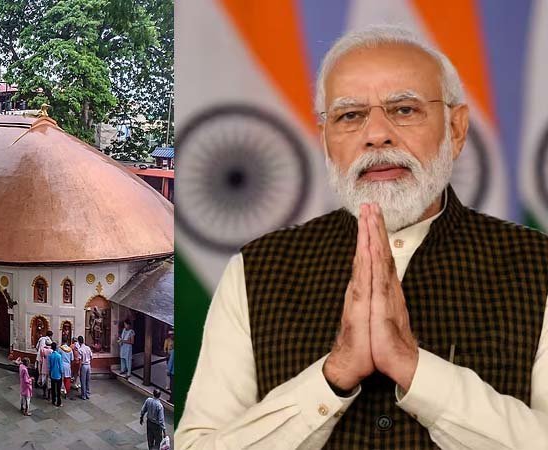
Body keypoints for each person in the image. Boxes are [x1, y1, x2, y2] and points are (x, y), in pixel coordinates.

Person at [176, 25, 548, 449]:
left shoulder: (537, 265)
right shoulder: (256, 269)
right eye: (350, 116)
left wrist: (414, 369)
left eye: (404, 109)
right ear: (326, 139)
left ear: (456, 128)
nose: (376, 135)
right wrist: (331, 377)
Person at [77, 335, 93, 399]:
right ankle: (88, 394)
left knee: (83, 381)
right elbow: (91, 357)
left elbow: (80, 360)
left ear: (78, 342)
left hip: (83, 366)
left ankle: (83, 395)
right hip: (88, 365)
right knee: (88, 380)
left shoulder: (80, 350)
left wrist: (79, 369)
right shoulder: (88, 348)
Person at [48, 342, 63, 407]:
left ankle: (53, 400)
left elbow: (49, 366)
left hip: (52, 373)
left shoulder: (50, 356)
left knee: (53, 388)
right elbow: (60, 366)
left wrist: (50, 372)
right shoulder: (59, 356)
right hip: (58, 374)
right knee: (58, 389)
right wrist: (62, 372)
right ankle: (59, 402)